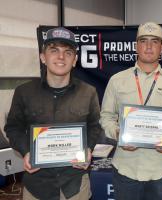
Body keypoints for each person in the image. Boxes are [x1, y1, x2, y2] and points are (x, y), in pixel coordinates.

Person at [4, 27, 103, 200]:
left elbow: (94, 126)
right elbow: (13, 128)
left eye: (68, 52)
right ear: (43, 57)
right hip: (37, 185)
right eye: (54, 50)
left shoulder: (89, 92)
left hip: (75, 185)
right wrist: (26, 152)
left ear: (75, 60)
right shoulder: (24, 92)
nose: (61, 57)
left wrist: (88, 149)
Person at [100, 22, 162, 200]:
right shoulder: (117, 80)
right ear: (136, 46)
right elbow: (106, 116)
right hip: (126, 166)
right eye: (143, 41)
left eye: (155, 41)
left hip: (160, 168)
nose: (149, 46)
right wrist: (118, 133)